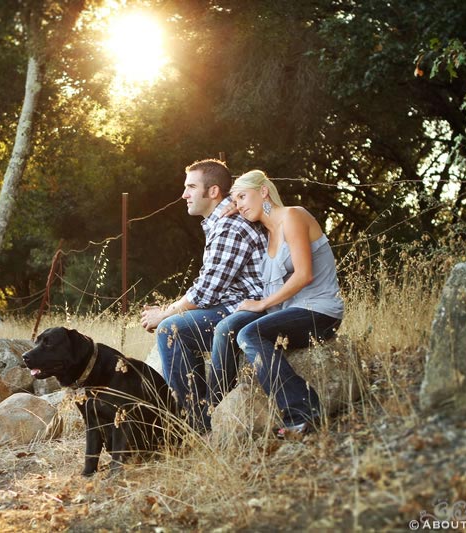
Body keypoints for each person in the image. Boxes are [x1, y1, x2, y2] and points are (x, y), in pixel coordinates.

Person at [208, 169, 344, 435]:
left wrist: (261, 304)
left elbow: (305, 274)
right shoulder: (267, 233)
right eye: (235, 201)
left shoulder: (293, 216)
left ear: (264, 191)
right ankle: (211, 414)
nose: (239, 205)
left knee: (250, 332)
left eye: (243, 197)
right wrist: (238, 208)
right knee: (228, 327)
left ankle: (303, 411)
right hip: (286, 312)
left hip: (318, 310)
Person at [141, 159, 265, 433]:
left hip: (249, 310)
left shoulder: (230, 226)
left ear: (213, 192)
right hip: (232, 305)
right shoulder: (221, 221)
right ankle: (197, 414)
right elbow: (208, 287)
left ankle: (196, 422)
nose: (184, 194)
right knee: (176, 325)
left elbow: (206, 292)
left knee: (171, 329)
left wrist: (165, 313)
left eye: (191, 187)